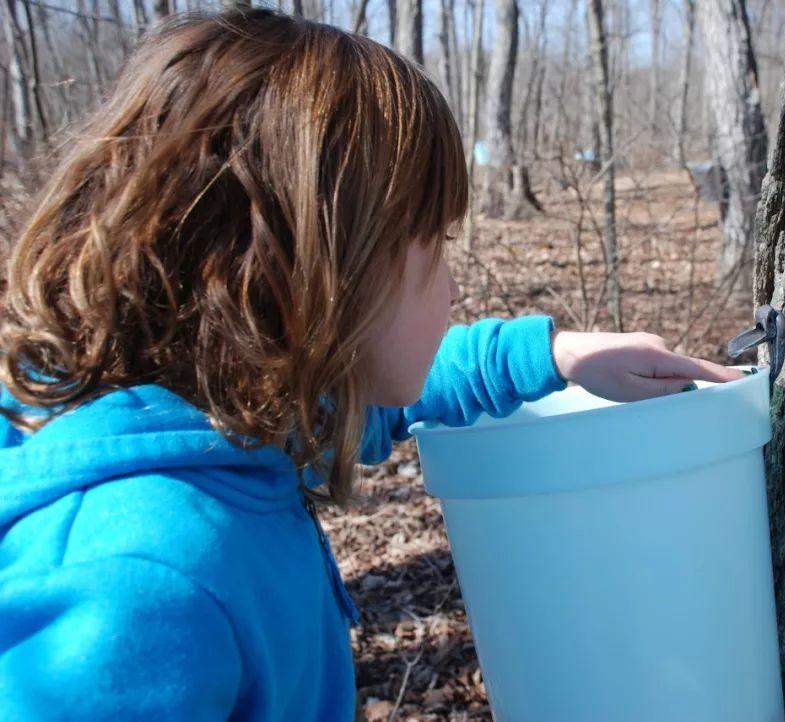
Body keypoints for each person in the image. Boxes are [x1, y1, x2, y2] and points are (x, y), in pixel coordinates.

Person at [0, 8, 742, 721]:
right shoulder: (138, 585)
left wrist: (559, 353)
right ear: (323, 276)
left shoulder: (243, 431)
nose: (453, 286)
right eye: (434, 245)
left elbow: (391, 395)